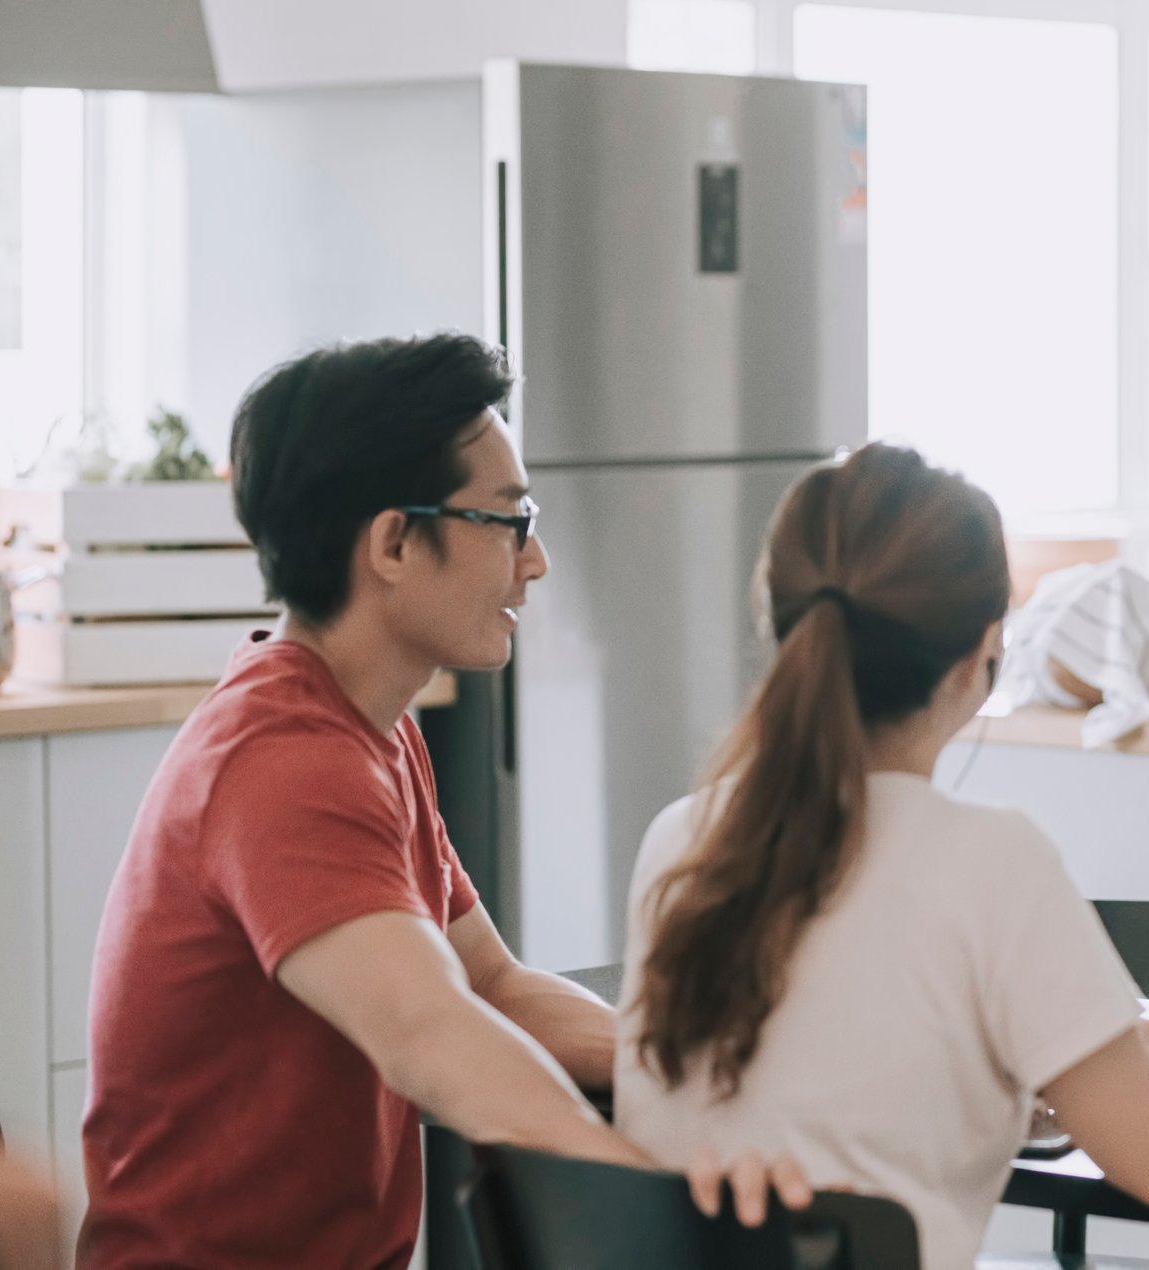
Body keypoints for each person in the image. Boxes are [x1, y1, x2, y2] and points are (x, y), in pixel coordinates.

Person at [612, 443, 1149, 1270]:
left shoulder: (682, 839)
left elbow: (814, 1102)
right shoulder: (989, 862)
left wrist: (1024, 1083)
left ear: (780, 620)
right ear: (984, 654)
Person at [80, 335, 805, 1268]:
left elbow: (491, 987)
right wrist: (650, 1196)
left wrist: (706, 1075)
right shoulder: (284, 760)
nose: (533, 562)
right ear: (392, 543)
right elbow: (430, 1035)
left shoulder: (368, 728)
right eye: (507, 520)